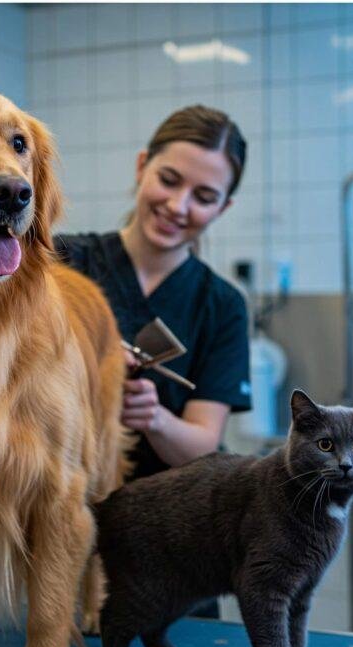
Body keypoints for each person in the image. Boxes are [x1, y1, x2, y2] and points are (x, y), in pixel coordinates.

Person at [55, 105, 251, 483]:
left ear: (223, 208)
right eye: (169, 179)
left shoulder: (223, 305)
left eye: (204, 197)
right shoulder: (63, 262)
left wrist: (153, 417)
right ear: (142, 165)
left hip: (163, 517)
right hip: (62, 499)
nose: (178, 206)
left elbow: (204, 445)